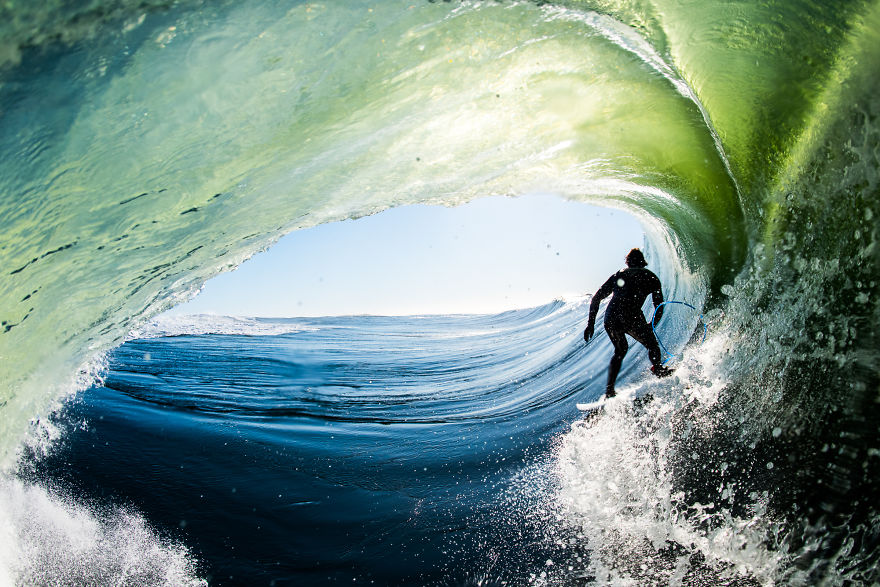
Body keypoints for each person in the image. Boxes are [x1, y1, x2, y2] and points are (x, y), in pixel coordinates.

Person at [584, 248, 672, 398]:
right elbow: (659, 306)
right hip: (632, 316)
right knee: (652, 346)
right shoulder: (651, 278)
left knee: (620, 350)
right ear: (643, 262)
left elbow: (597, 298)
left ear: (628, 262)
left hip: (611, 317)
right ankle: (657, 369)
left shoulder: (619, 274)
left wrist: (590, 324)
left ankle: (609, 390)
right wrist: (652, 325)